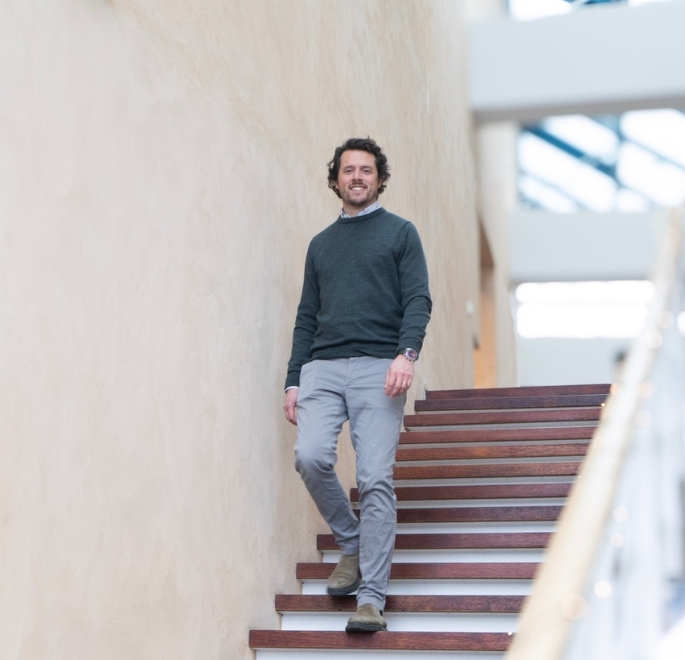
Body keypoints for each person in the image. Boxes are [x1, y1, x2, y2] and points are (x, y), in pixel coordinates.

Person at [283, 137, 432, 633]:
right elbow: (307, 316)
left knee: (373, 479)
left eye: (366, 170)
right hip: (322, 368)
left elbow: (418, 299)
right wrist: (293, 381)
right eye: (348, 170)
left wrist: (406, 354)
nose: (357, 177)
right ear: (336, 180)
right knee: (310, 456)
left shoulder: (400, 233)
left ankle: (371, 597)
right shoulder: (320, 245)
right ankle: (350, 541)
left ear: (379, 179)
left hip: (379, 368)